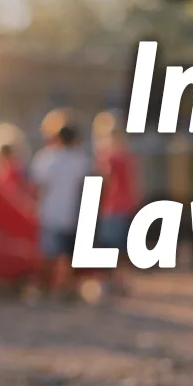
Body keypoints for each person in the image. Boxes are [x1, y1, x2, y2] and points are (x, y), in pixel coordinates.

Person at [30, 116, 92, 301]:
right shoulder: (81, 160)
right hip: (73, 213)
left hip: (50, 212)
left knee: (49, 255)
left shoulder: (46, 158)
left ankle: (44, 288)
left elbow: (38, 187)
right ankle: (67, 288)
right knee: (71, 255)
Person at [92, 111, 140, 297]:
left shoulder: (108, 156)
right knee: (122, 247)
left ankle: (109, 282)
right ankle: (122, 281)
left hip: (112, 207)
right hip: (126, 205)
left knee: (108, 246)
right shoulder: (127, 154)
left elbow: (105, 180)